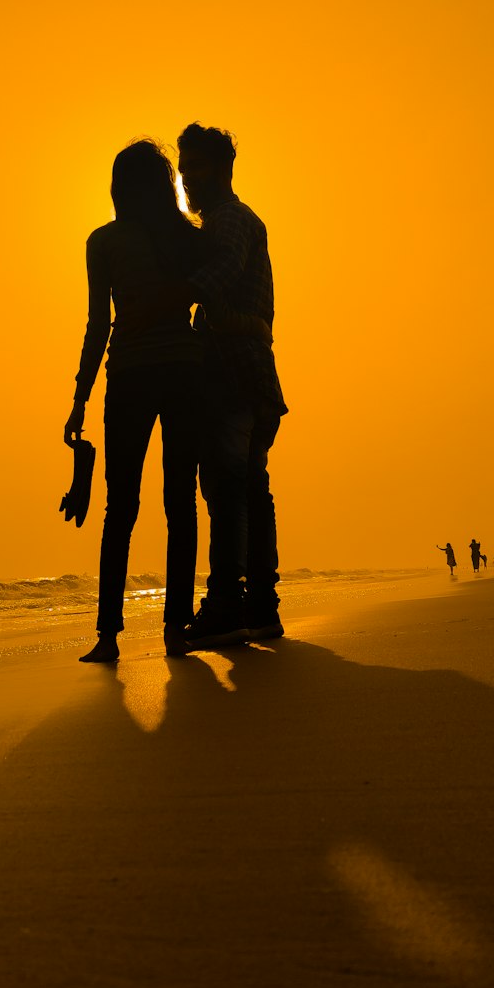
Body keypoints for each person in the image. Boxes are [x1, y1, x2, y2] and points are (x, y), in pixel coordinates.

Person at [65, 140, 203, 663]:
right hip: (185, 373)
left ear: (118, 188)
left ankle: (107, 636)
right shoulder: (186, 238)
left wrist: (80, 396)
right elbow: (207, 293)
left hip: (128, 376)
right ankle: (175, 629)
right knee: (180, 503)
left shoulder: (103, 241)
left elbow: (98, 323)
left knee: (119, 508)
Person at [177, 123, 288, 647]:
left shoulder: (229, 222)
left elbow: (216, 276)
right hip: (254, 375)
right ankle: (261, 606)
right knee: (249, 490)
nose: (187, 177)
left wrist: (162, 297)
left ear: (222, 170)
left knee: (225, 491)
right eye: (183, 167)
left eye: (195, 166)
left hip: (231, 372)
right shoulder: (237, 220)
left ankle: (226, 606)